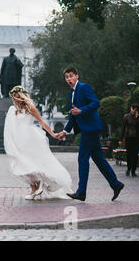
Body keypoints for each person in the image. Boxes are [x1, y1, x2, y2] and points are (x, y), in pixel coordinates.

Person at [56, 67, 124, 202]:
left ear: (77, 76)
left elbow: (95, 103)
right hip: (88, 128)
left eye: (71, 76)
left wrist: (81, 111)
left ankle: (81, 192)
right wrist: (65, 131)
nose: (68, 79)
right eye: (66, 77)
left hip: (91, 128)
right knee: (99, 159)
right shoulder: (72, 93)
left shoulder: (84, 87)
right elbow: (73, 115)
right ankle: (116, 184)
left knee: (82, 159)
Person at [4, 85, 73, 200]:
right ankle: (35, 186)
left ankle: (36, 186)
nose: (16, 100)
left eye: (17, 97)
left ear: (22, 96)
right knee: (20, 164)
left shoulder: (30, 107)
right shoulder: (14, 110)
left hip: (30, 138)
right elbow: (12, 127)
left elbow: (42, 122)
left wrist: (52, 134)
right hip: (19, 140)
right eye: (14, 98)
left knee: (29, 162)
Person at [120, 103, 139, 177]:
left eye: (135, 109)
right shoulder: (126, 116)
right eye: (132, 108)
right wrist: (120, 139)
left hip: (137, 138)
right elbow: (123, 128)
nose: (133, 110)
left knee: (135, 154)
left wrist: (137, 118)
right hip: (128, 137)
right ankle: (128, 169)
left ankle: (133, 171)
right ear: (131, 108)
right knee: (129, 154)